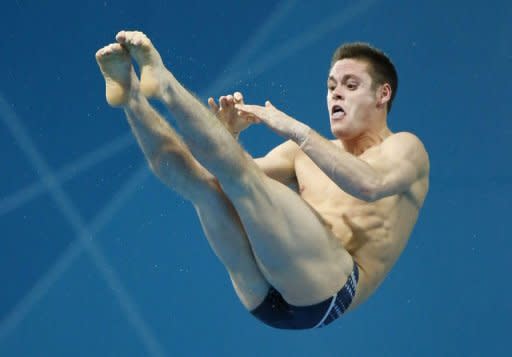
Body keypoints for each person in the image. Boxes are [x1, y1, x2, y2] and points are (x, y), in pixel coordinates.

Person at [95, 30, 429, 330]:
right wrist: (225, 135)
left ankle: (166, 85)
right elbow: (221, 175)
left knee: (242, 177)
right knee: (201, 186)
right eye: (331, 87)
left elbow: (368, 186)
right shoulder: (303, 152)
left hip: (329, 291)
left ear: (383, 95)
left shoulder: (405, 148)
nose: (335, 96)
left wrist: (294, 129)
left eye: (350, 86)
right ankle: (131, 98)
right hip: (265, 298)